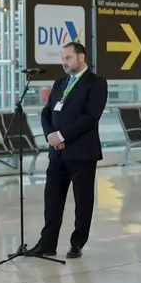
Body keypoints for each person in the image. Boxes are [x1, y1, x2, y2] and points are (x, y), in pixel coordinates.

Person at [29, 42, 108, 259]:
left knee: (83, 201)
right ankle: (47, 243)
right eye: (62, 59)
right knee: (52, 199)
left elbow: (90, 117)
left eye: (68, 58)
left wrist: (62, 135)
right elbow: (46, 113)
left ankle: (77, 243)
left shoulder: (97, 83)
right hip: (57, 152)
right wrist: (51, 136)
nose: (64, 63)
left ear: (81, 57)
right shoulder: (59, 83)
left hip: (82, 152)